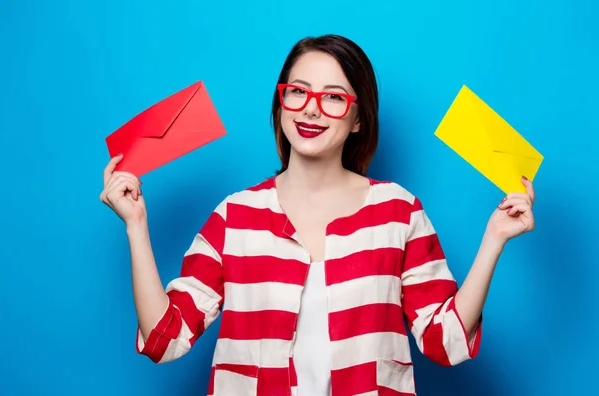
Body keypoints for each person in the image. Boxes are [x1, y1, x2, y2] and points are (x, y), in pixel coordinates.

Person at [100, 34, 536, 396]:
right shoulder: (235, 216)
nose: (311, 108)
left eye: (332, 97)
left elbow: (446, 342)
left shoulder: (398, 211)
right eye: (298, 91)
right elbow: (165, 338)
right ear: (282, 102)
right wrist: (136, 225)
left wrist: (494, 239)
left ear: (359, 118)